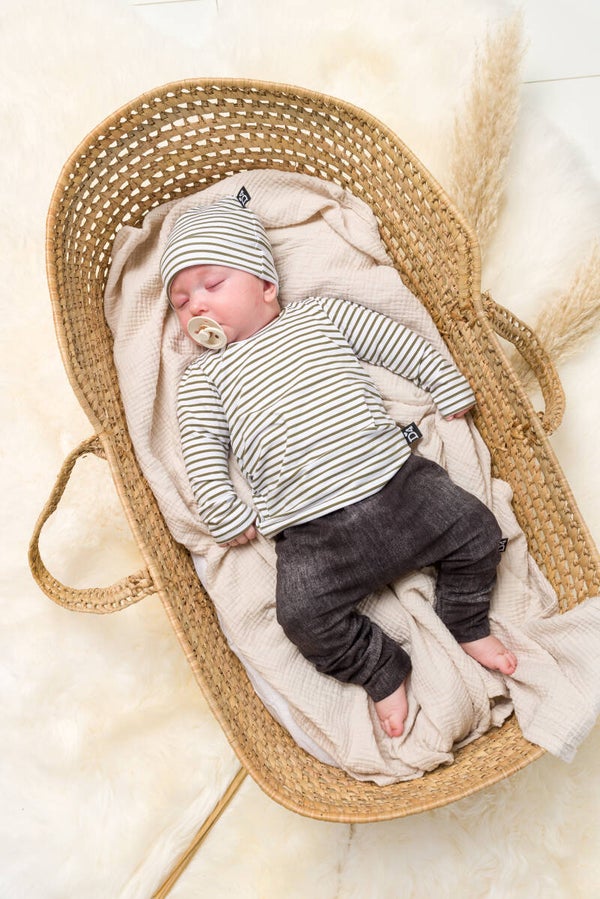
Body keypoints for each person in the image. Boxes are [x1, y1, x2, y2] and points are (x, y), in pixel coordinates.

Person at [161, 193, 517, 739]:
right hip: (313, 535)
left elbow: (395, 344)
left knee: (480, 531)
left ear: (266, 285)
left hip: (398, 486)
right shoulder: (203, 379)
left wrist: (442, 381)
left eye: (212, 284)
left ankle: (465, 620)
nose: (196, 308)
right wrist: (221, 507)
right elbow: (201, 448)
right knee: (301, 619)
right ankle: (381, 668)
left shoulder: (320, 315)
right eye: (181, 301)